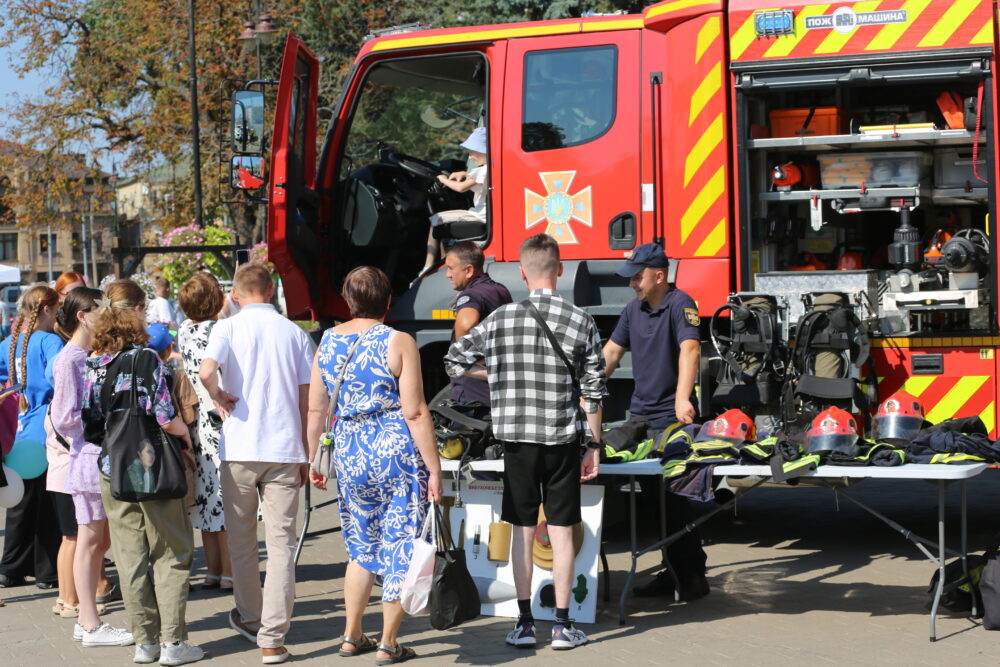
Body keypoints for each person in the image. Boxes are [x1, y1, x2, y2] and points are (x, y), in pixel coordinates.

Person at [444, 233, 605, 650]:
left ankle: (525, 623)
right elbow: (594, 391)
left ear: (521, 272)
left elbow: (453, 361)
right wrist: (594, 446)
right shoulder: (581, 320)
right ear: (560, 269)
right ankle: (563, 626)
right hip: (562, 439)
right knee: (563, 532)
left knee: (522, 530)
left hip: (516, 440)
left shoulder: (501, 319)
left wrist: (497, 373)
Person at [307, 266, 443, 664]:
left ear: (347, 301)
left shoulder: (328, 340)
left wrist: (314, 457)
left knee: (360, 547)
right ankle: (388, 643)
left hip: (350, 451)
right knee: (399, 544)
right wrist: (434, 468)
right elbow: (415, 411)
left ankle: (351, 635)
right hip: (395, 451)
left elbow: (316, 408)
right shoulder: (399, 341)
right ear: (388, 300)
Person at [81, 279, 203, 666]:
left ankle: (145, 643)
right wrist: (186, 438)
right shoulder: (147, 359)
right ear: (137, 313)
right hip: (153, 465)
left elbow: (90, 424)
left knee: (130, 557)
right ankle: (172, 643)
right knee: (170, 551)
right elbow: (165, 416)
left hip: (113, 468)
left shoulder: (94, 364)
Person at [198, 263, 312, 665]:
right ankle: (273, 637)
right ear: (271, 288)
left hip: (240, 447)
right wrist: (306, 451)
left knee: (243, 540)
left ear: (234, 293)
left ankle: (250, 616)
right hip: (284, 448)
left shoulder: (227, 328)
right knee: (282, 545)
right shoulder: (295, 333)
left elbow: (206, 371)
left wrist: (218, 395)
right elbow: (307, 399)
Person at [602, 242, 709, 601]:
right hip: (640, 419)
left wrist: (682, 397)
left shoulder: (681, 304)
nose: (632, 283)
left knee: (674, 502)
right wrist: (588, 387)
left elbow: (690, 349)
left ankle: (691, 576)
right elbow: (612, 352)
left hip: (671, 420)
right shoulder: (633, 309)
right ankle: (675, 571)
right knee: (653, 504)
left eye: (638, 277)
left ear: (659, 276)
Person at [52, 286, 128, 645]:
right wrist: (101, 422)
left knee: (97, 541)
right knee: (90, 540)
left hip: (96, 454)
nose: (107, 317)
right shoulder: (70, 358)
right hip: (88, 456)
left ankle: (88, 620)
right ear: (83, 316)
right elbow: (63, 418)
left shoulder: (87, 355)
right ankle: (89, 621)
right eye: (102, 310)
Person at [0, 285, 65, 591]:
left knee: (20, 504)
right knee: (48, 505)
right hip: (44, 429)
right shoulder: (50, 341)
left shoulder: (9, 343)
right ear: (47, 310)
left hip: (17, 428)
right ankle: (47, 572)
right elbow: (59, 374)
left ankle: (11, 568)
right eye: (57, 310)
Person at [176, 273, 231, 592]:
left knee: (206, 497)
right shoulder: (219, 330)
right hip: (219, 417)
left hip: (196, 422)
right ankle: (230, 573)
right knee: (224, 498)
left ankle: (213, 570)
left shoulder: (184, 330)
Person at [443, 241, 511, 404]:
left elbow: (466, 324)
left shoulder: (472, 295)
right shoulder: (500, 290)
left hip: (473, 396)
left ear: (468, 270)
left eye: (451, 268)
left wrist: (462, 354)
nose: (447, 274)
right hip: (498, 391)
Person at [422, 127, 489, 272]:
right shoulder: (489, 168)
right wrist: (463, 173)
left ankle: (428, 266)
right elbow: (475, 177)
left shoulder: (483, 170)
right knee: (440, 222)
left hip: (479, 216)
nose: (470, 157)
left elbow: (461, 188)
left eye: (472, 152)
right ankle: (442, 262)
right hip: (482, 214)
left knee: (436, 219)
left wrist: (444, 180)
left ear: (484, 151)